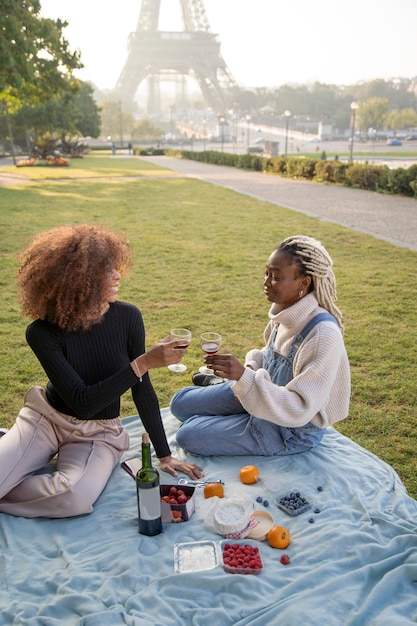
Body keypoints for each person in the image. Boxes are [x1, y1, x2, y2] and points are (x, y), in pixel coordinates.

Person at [0, 224, 202, 519]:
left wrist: (164, 453)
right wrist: (142, 363)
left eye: (115, 266)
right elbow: (82, 400)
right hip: (46, 419)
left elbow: (142, 388)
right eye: (105, 271)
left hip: (99, 432)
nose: (118, 275)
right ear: (77, 281)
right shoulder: (42, 333)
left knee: (74, 498)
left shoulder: (128, 317)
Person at [170, 235, 350, 457]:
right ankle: (235, 404)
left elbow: (299, 408)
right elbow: (269, 354)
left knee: (188, 435)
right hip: (261, 394)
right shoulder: (286, 311)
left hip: (288, 429)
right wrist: (250, 370)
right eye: (266, 274)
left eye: (275, 277)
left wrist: (244, 379)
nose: (266, 283)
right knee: (179, 404)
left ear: (303, 282)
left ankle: (237, 412)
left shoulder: (322, 335)